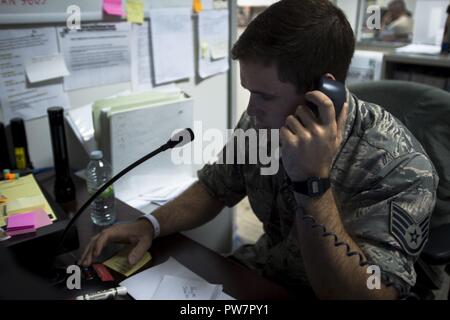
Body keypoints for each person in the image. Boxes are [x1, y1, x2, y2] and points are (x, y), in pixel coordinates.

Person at [80, 0, 438, 299]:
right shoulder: (263, 124)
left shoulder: (401, 165)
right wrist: (151, 225)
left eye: (265, 95)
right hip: (267, 272)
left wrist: (312, 183)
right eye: (249, 91)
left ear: (324, 93)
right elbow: (215, 187)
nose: (250, 110)